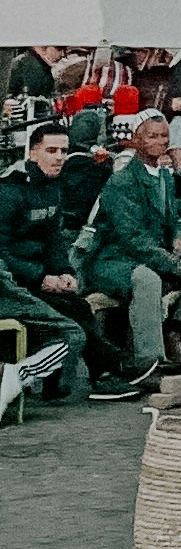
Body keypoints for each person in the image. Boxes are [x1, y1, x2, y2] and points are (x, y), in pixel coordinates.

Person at [85, 111, 181, 395]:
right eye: (152, 136)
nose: (160, 142)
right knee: (146, 278)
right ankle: (147, 363)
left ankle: (175, 327)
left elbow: (173, 221)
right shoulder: (122, 181)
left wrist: (179, 236)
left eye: (164, 136)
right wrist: (177, 267)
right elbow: (133, 240)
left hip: (156, 255)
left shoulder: (165, 176)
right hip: (115, 260)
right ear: (136, 140)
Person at [0, 121, 90, 391]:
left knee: (78, 309)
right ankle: (22, 378)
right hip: (16, 280)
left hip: (35, 275)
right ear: (32, 153)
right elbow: (3, 250)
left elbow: (54, 239)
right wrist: (40, 277)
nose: (60, 157)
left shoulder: (53, 187)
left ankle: (63, 383)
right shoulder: (10, 191)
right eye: (52, 150)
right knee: (72, 329)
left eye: (64, 151)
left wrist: (64, 271)